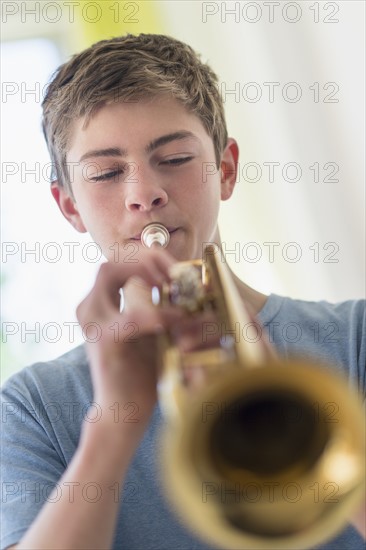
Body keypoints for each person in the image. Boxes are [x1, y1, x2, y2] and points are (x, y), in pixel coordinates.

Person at [1, 34, 365, 550]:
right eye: (106, 172)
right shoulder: (33, 406)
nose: (145, 193)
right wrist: (112, 425)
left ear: (227, 170)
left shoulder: (355, 338)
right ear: (70, 208)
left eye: (173, 158)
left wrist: (285, 414)